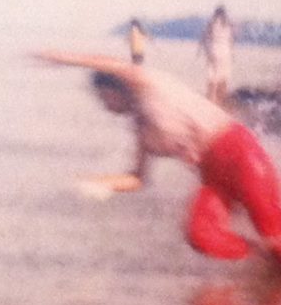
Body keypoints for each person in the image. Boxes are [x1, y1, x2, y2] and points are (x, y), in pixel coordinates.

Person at [36, 49, 281, 261]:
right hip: (213, 177)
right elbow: (138, 178)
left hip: (241, 156)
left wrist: (63, 59)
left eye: (104, 96)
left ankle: (272, 259)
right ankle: (262, 261)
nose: (104, 105)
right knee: (201, 235)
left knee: (274, 235)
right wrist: (95, 182)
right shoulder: (142, 128)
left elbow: (112, 64)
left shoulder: (148, 86)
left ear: (118, 89)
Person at [200, 5, 234, 105]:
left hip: (213, 50)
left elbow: (204, 38)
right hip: (225, 51)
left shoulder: (211, 23)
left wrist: (203, 50)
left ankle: (211, 100)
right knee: (224, 76)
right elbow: (231, 40)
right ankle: (222, 101)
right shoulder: (228, 24)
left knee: (212, 76)